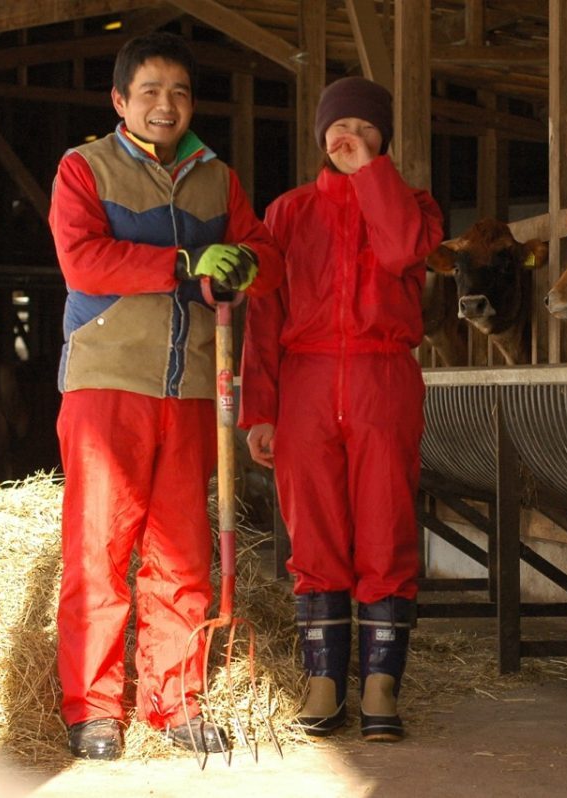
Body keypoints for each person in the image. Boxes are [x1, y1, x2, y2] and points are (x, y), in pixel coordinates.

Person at [47, 31, 281, 760]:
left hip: (192, 392)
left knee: (182, 551)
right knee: (98, 548)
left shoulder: (219, 179)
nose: (165, 104)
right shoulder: (84, 168)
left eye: (178, 92)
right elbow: (84, 259)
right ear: (121, 101)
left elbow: (264, 258)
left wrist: (247, 264)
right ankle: (92, 709)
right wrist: (184, 261)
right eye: (149, 91)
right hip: (107, 381)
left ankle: (172, 701)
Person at [239, 76, 444, 742]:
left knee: (387, 523)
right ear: (319, 135)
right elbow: (263, 315)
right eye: (337, 124)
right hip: (304, 381)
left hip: (384, 377)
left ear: (384, 138)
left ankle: (382, 681)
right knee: (315, 530)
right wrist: (259, 409)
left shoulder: (412, 207)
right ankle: (324, 677)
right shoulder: (289, 212)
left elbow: (398, 251)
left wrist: (371, 176)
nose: (348, 133)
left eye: (364, 125)